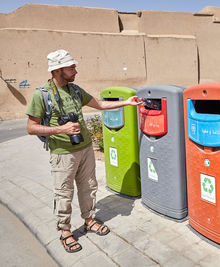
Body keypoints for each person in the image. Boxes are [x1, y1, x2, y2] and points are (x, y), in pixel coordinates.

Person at [26, 49, 142, 253]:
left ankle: (89, 220)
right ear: (58, 70)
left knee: (89, 186)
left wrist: (126, 102)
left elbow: (98, 105)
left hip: (85, 148)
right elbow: (31, 127)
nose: (75, 70)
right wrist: (61, 129)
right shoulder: (41, 94)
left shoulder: (75, 90)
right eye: (71, 67)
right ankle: (65, 231)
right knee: (64, 192)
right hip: (62, 152)